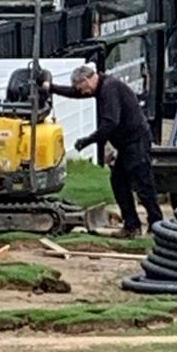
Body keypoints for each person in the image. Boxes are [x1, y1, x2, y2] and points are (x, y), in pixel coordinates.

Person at [46, 63, 163, 237]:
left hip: (136, 140)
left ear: (87, 79)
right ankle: (132, 225)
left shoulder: (110, 89)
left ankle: (156, 223)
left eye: (82, 88)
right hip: (126, 144)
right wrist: (52, 88)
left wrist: (89, 140)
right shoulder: (101, 86)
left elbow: (111, 122)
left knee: (143, 183)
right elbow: (76, 93)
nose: (82, 92)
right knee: (119, 182)